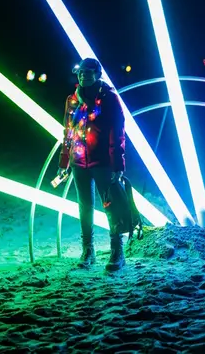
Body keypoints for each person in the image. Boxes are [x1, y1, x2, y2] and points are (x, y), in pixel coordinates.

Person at [57, 58, 133, 271]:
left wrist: (118, 164)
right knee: (85, 207)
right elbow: (68, 132)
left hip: (103, 163)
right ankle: (88, 250)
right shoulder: (72, 100)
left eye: (89, 72)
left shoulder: (109, 99)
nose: (84, 76)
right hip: (78, 162)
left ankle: (117, 251)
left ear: (98, 74)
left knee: (111, 206)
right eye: (81, 72)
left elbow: (118, 133)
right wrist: (64, 161)